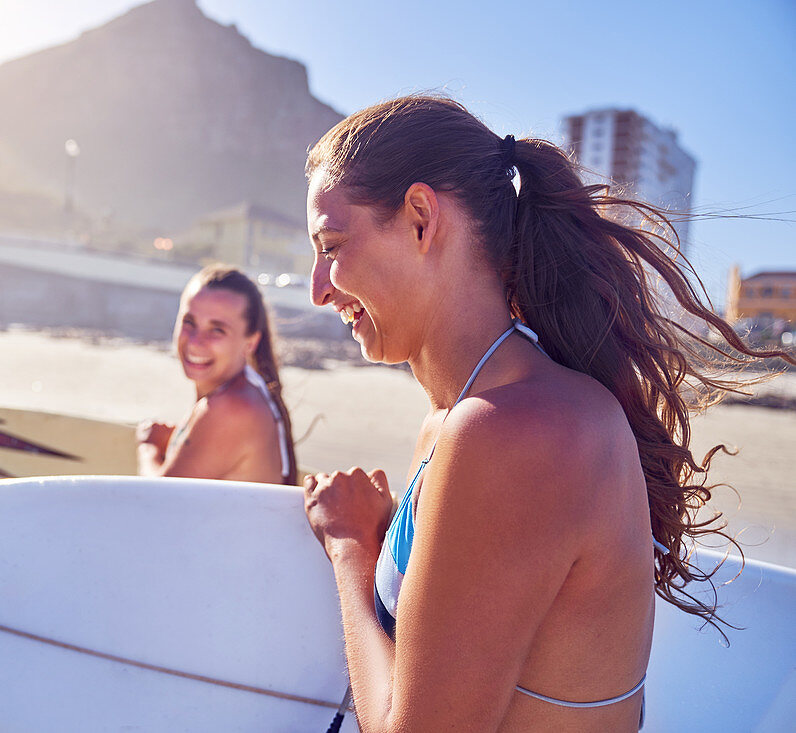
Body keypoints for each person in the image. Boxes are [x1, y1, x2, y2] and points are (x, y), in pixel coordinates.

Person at [300, 95, 794, 732]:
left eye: (331, 245)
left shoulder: (515, 431)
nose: (317, 287)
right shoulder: (464, 420)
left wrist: (349, 551)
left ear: (422, 218)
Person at [136, 264, 298, 485]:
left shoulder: (232, 408)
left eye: (217, 330)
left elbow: (155, 500)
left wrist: (149, 446)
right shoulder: (238, 393)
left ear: (250, 342)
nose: (195, 341)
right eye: (189, 322)